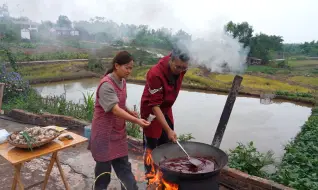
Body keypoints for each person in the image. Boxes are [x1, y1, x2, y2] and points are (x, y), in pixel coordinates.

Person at [88, 51, 150, 190]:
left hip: (117, 133)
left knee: (124, 169)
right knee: (103, 174)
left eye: (131, 68)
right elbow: (114, 109)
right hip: (103, 135)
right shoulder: (106, 85)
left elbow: (120, 103)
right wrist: (136, 121)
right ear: (116, 65)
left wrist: (129, 111)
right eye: (127, 67)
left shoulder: (122, 81)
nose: (130, 71)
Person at [140, 46, 190, 179]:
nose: (180, 71)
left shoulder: (181, 67)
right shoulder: (155, 74)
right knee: (152, 144)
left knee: (167, 142)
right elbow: (155, 106)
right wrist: (168, 129)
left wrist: (168, 130)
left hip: (166, 108)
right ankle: (150, 176)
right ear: (170, 60)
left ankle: (164, 173)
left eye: (184, 68)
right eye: (178, 67)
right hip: (152, 110)